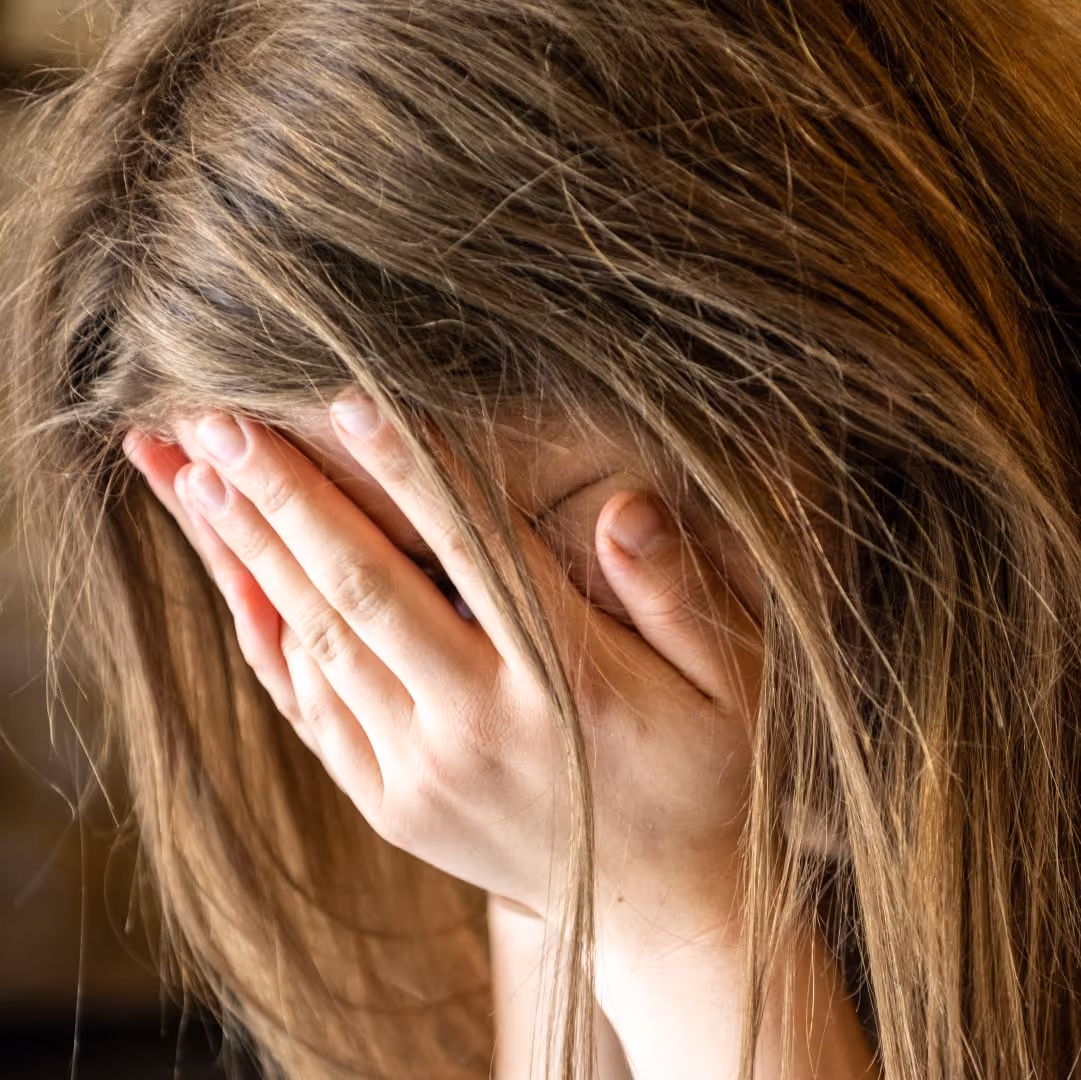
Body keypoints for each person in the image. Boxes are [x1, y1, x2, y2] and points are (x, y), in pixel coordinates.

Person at [2, 0, 1080, 1077]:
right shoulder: (543, 776)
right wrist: (570, 887)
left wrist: (671, 921)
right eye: (401, 598)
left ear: (839, 356)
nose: (475, 697)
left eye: (477, 574)